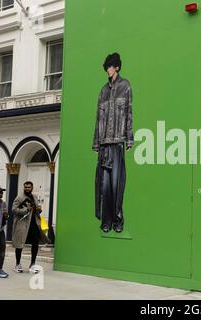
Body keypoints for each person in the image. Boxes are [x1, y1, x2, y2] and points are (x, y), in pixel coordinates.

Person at [93, 52, 134, 233]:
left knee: (117, 184)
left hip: (117, 142)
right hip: (104, 144)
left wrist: (129, 138)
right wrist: (96, 143)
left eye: (110, 67)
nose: (108, 70)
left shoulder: (125, 86)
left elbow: (129, 113)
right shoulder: (102, 90)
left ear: (116, 67)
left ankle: (118, 220)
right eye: (106, 67)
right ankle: (106, 221)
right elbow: (98, 118)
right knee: (104, 185)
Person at [11, 181, 50, 273]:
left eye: (29, 187)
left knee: (35, 244)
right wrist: (25, 210)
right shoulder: (19, 198)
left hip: (34, 224)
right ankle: (17, 264)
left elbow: (36, 210)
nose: (27, 189)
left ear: (32, 188)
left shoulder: (34, 197)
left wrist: (39, 210)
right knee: (19, 244)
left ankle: (32, 264)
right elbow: (14, 210)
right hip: (22, 225)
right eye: (25, 187)